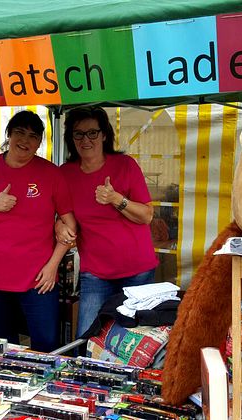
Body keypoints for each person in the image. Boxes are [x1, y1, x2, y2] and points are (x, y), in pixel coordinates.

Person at [0, 110, 76, 352]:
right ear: (8, 135)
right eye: (19, 132)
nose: (25, 140)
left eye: (33, 136)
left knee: (46, 344)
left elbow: (70, 226)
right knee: (4, 343)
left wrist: (53, 267)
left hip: (39, 278)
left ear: (40, 142)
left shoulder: (51, 174)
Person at [56, 106, 158, 338]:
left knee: (132, 338)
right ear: (71, 138)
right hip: (96, 272)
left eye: (92, 132)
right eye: (78, 134)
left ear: (104, 134)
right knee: (87, 336)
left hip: (137, 269)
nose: (85, 139)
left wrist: (115, 199)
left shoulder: (125, 165)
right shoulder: (65, 173)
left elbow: (146, 215)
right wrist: (59, 225)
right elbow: (62, 213)